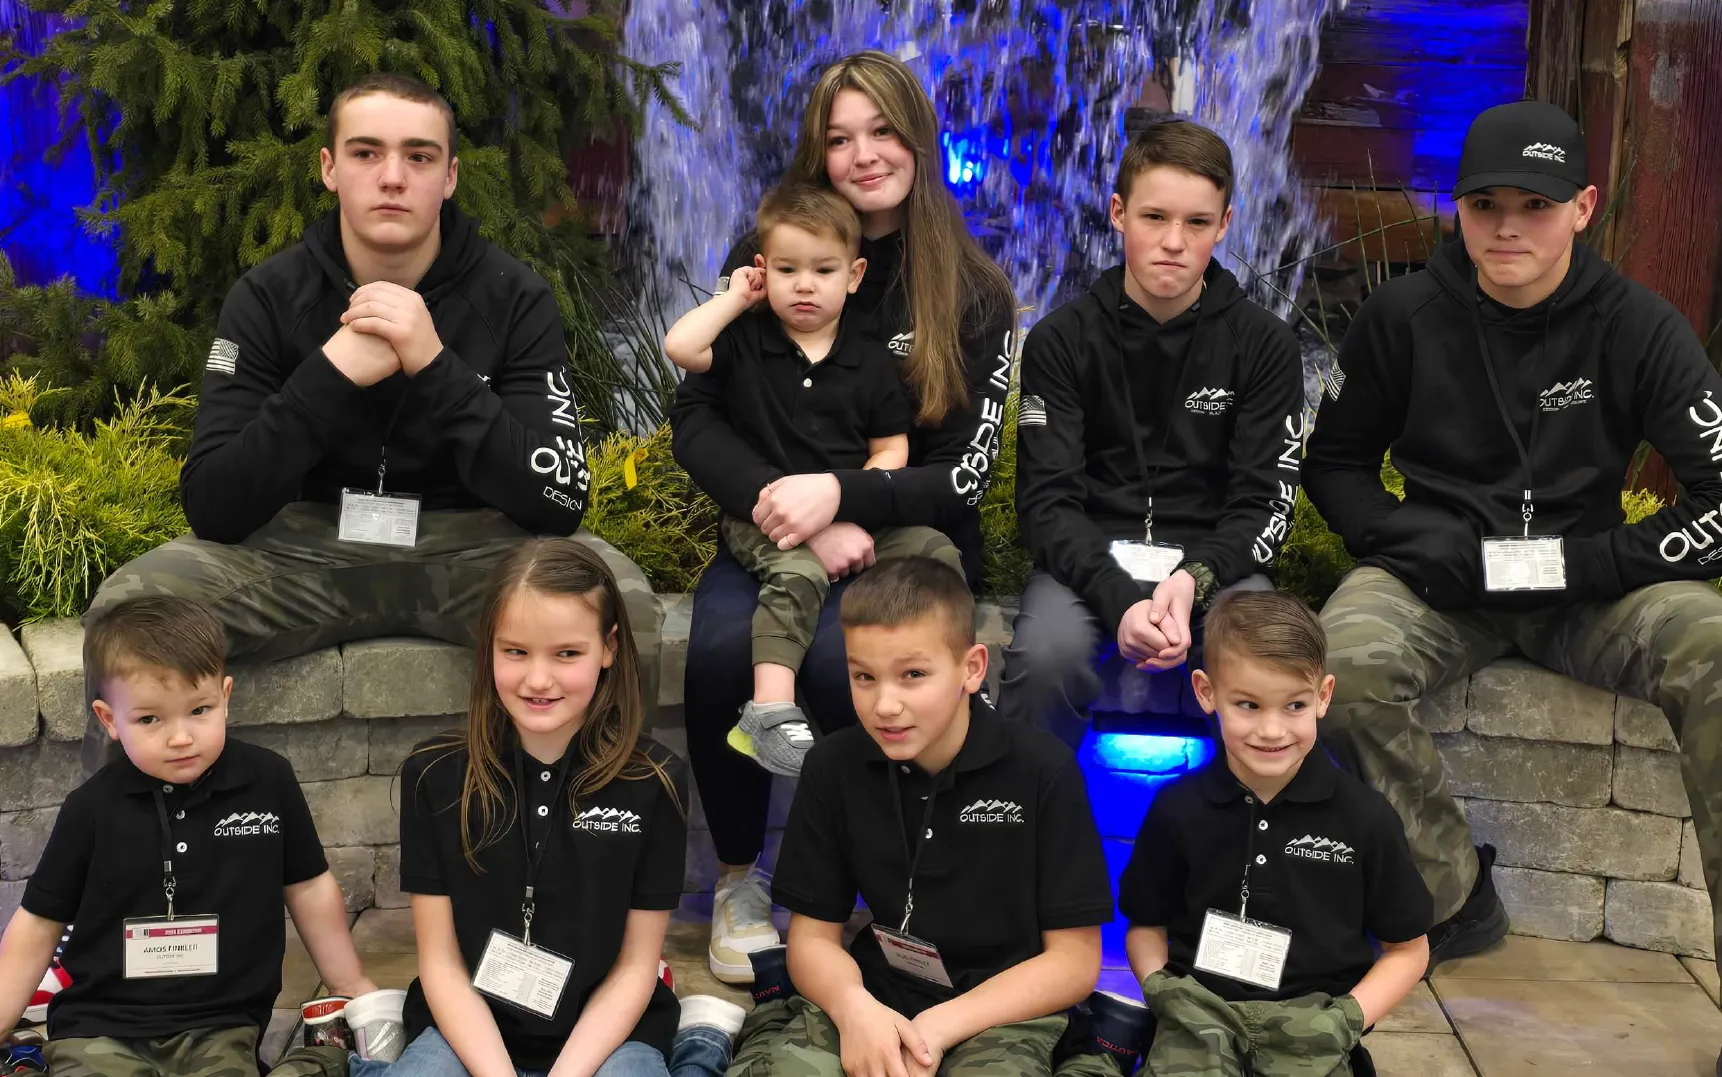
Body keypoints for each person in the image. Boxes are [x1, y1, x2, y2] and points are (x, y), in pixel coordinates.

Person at [80, 71, 661, 776]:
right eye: (365, 152)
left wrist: (434, 364)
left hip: (472, 549)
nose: (392, 177)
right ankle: (138, 853)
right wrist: (328, 375)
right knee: (131, 610)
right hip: (300, 549)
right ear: (329, 168)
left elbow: (559, 501)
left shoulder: (515, 298)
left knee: (618, 604)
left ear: (449, 177)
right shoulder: (268, 297)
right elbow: (214, 503)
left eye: (418, 156)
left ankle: (589, 837)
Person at [1303, 98, 1722, 1005]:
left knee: (1716, 643)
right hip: (1440, 580)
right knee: (1340, 662)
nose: (1507, 227)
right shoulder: (1403, 312)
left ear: (1582, 205)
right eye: (1485, 203)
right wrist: (1405, 535)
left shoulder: (1641, 326)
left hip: (1589, 586)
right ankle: (1452, 893)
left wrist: (1596, 563)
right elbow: (1331, 462)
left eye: (1535, 205)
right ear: (1457, 207)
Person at [671, 50, 1017, 983]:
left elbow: (966, 473)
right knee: (714, 653)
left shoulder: (974, 290)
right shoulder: (771, 248)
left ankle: (889, 884)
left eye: (883, 131)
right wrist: (788, 509)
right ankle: (743, 878)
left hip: (902, 538)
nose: (863, 155)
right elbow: (694, 418)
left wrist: (842, 496)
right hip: (773, 529)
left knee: (845, 662)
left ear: (919, 139)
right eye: (839, 137)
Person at [677, 557, 1136, 1077]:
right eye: (863, 677)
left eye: (913, 675)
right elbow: (811, 940)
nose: (885, 705)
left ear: (972, 668)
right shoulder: (833, 766)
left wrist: (937, 1030)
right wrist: (855, 1010)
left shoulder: (1042, 770)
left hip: (1004, 1010)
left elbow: (1073, 963)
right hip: (876, 990)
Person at [1003, 119, 1306, 749]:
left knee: (1260, 669)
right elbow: (1046, 505)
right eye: (1154, 217)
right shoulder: (1063, 339)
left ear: (1225, 225)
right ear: (1118, 213)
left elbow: (1265, 505)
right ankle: (1031, 832)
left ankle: (1246, 837)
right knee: (1045, 660)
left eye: (1197, 223)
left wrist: (1194, 576)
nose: (1173, 242)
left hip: (1216, 568)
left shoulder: (1264, 345)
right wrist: (1119, 599)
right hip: (1088, 564)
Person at [0, 596, 376, 1077]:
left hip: (220, 1023)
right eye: (150, 719)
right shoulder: (90, 809)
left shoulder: (267, 781)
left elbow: (308, 884)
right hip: (101, 1025)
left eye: (199, 709)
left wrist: (350, 980)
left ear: (226, 695)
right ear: (110, 720)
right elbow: (37, 923)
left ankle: (318, 1058)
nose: (181, 737)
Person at [663, 182, 962, 778]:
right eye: (786, 269)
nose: (804, 284)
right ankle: (768, 711)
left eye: (823, 270)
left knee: (934, 548)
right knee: (796, 572)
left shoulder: (871, 359)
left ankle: (953, 678)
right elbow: (681, 345)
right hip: (762, 516)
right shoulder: (745, 341)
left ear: (853, 277)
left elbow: (892, 447)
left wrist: (847, 507)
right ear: (761, 272)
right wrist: (735, 301)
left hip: (846, 515)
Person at [374, 538, 686, 1077]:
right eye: (515, 652)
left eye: (567, 653)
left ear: (609, 648)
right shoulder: (433, 773)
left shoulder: (654, 780)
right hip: (466, 1026)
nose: (538, 679)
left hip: (606, 1032)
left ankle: (701, 1044)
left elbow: (637, 966)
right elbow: (442, 964)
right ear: (489, 647)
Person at [1119, 590, 1431, 1076]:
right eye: (1248, 704)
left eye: (1294, 705)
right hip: (1197, 1018)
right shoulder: (1176, 809)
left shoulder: (1365, 817)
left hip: (1313, 1024)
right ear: (1206, 693)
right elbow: (1146, 926)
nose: (1271, 730)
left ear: (1323, 696)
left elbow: (1409, 950)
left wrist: (1347, 1019)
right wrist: (1163, 990)